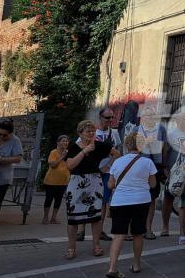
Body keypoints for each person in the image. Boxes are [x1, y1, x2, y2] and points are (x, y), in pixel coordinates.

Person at [106, 132, 157, 277]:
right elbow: (153, 184)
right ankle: (136, 264)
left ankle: (112, 268)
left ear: (127, 146)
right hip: (141, 201)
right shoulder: (147, 162)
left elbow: (110, 185)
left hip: (120, 201)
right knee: (138, 234)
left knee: (118, 235)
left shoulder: (117, 162)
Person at [64, 119, 118, 260]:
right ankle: (71, 248)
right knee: (73, 218)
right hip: (76, 183)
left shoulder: (100, 146)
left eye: (93, 131)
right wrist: (84, 151)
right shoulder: (73, 147)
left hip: (95, 182)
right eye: (88, 131)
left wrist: (107, 168)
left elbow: (117, 154)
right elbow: (70, 166)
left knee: (96, 218)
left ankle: (96, 245)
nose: (92, 133)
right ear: (80, 133)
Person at [134, 109, 168, 240]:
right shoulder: (136, 130)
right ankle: (136, 228)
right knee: (137, 198)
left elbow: (164, 148)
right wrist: (145, 142)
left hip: (155, 168)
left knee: (152, 199)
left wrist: (164, 166)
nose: (150, 118)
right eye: (147, 115)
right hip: (138, 169)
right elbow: (130, 149)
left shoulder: (161, 129)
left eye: (153, 115)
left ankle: (148, 229)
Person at [97, 108, 122, 242]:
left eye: (112, 117)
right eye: (108, 118)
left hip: (108, 172)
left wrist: (110, 166)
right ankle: (81, 231)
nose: (111, 120)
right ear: (100, 118)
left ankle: (100, 230)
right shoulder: (92, 132)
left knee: (104, 201)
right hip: (93, 171)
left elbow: (117, 152)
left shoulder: (115, 133)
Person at [43, 135, 70, 225]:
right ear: (58, 142)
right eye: (63, 141)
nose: (65, 143)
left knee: (58, 200)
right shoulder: (54, 152)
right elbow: (52, 165)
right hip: (51, 181)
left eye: (66, 141)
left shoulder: (68, 153)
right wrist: (62, 156)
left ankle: (53, 218)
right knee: (49, 199)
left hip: (63, 181)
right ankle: (45, 217)